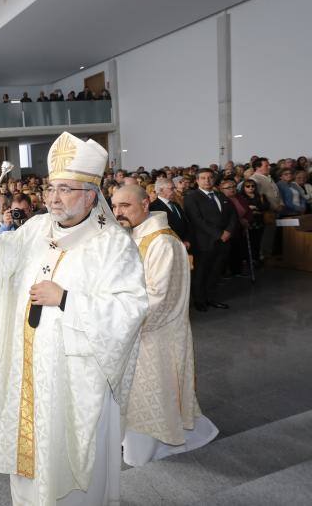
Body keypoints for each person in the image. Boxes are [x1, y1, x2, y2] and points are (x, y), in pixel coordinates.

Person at [0, 131, 148, 505]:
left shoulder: (112, 245)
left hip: (75, 378)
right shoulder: (36, 229)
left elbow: (130, 309)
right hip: (29, 370)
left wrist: (66, 298)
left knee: (69, 466)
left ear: (90, 195)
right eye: (51, 188)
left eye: (65, 189)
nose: (53, 197)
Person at [111, 186, 218, 467]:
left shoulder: (163, 243)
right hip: (134, 333)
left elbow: (159, 299)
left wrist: (113, 317)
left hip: (155, 337)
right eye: (114, 206)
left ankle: (146, 450)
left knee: (150, 398)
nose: (118, 212)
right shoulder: (134, 235)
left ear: (146, 203)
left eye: (125, 205)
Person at [183, 169, 237, 311]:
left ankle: (211, 298)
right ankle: (200, 301)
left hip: (223, 241)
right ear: (197, 180)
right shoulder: (192, 197)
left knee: (216, 272)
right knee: (201, 273)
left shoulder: (220, 195)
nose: (207, 180)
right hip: (204, 242)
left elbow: (233, 215)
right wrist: (219, 234)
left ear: (214, 179)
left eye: (210, 177)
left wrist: (229, 231)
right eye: (203, 178)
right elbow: (197, 220)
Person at [149, 178, 191, 249]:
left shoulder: (176, 204)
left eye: (174, 188)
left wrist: (187, 240)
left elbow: (186, 223)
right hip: (169, 247)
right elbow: (160, 231)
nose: (175, 191)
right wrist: (179, 243)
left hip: (185, 246)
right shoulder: (153, 207)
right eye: (171, 189)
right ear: (160, 190)